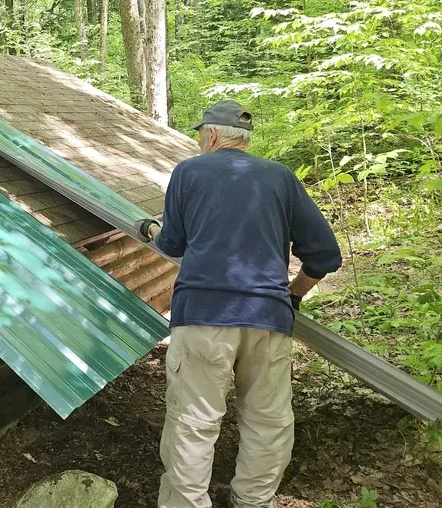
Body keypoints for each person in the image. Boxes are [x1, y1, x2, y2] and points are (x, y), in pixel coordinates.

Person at [136, 100, 342, 508]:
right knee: (268, 421)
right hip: (268, 318)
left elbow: (172, 244)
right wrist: (294, 294)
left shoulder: (189, 172)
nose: (199, 141)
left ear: (211, 135)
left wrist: (153, 228)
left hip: (202, 318)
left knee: (193, 422)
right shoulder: (281, 178)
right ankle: (253, 501)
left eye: (200, 135)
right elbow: (325, 255)